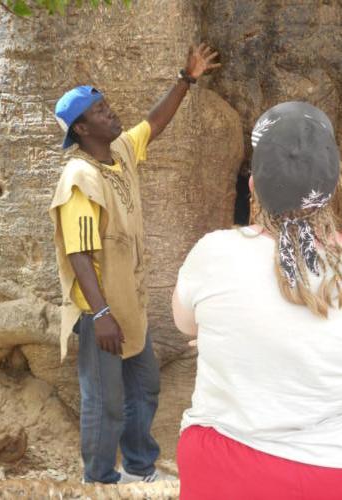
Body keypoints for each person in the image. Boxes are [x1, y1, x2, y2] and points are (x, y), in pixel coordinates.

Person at [49, 44, 219, 484]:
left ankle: (141, 467)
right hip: (100, 310)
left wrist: (187, 78)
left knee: (144, 387)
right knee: (103, 400)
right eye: (101, 111)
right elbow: (78, 253)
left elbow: (154, 123)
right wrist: (101, 314)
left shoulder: (119, 152)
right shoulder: (80, 178)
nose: (112, 113)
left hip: (132, 307)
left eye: (107, 105)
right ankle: (100, 477)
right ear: (82, 128)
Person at [173, 102, 342, 500]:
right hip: (328, 473)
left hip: (222, 473)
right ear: (333, 187)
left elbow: (185, 325)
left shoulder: (213, 253)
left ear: (251, 186)